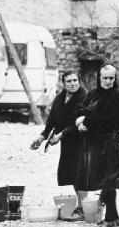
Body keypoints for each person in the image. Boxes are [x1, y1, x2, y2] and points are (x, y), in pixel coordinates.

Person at [74, 63, 119, 227]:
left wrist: (86, 121)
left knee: (109, 180)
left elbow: (108, 120)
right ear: (99, 78)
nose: (108, 81)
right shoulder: (93, 93)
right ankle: (115, 217)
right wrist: (79, 122)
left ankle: (111, 218)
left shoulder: (115, 96)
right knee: (103, 180)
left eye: (111, 78)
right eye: (105, 78)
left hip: (109, 142)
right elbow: (80, 110)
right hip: (93, 143)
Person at [31, 70, 88, 218]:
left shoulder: (84, 96)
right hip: (68, 143)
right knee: (70, 174)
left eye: (75, 80)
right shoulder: (60, 97)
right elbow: (52, 121)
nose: (73, 84)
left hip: (82, 140)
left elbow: (79, 122)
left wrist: (61, 135)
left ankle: (83, 208)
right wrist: (42, 136)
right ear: (64, 83)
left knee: (80, 174)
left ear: (79, 81)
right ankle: (81, 207)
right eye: (69, 81)